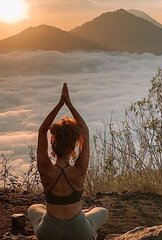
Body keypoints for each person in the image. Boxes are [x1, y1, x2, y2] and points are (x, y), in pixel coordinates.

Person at [27, 83, 108, 240]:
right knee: (103, 212)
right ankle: (88, 226)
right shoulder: (79, 170)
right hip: (79, 232)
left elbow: (42, 130)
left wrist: (59, 104)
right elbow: (85, 129)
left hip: (48, 233)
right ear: (74, 146)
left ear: (53, 144)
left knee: (34, 209)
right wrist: (69, 104)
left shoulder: (45, 169)